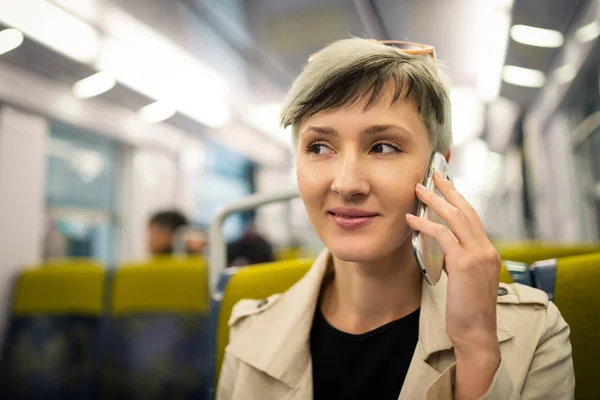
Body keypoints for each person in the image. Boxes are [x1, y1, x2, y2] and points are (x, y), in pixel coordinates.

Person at [216, 38, 574, 399]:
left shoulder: (534, 332)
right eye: (319, 147)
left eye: (383, 147)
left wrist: (477, 348)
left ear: (439, 170)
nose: (347, 184)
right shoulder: (250, 333)